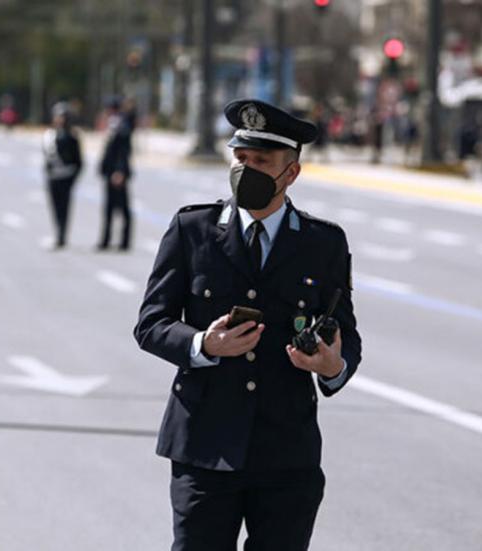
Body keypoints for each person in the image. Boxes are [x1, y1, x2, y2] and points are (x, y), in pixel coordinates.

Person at [134, 99, 362, 551]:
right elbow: (151, 323)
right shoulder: (192, 229)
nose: (247, 169)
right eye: (240, 159)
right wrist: (203, 344)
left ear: (291, 172)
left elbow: (346, 335)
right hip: (205, 447)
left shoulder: (323, 244)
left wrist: (333, 366)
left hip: (286, 453)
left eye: (261, 162)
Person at [43, 102, 82, 249]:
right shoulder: (49, 135)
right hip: (53, 177)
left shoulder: (72, 137)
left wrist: (73, 179)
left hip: (66, 176)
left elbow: (79, 161)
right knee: (55, 207)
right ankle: (57, 232)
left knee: (65, 208)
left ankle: (62, 235)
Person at [96, 98, 134, 251]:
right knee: (109, 208)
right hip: (110, 172)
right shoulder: (114, 124)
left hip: (118, 174)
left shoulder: (121, 125)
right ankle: (105, 240)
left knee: (122, 208)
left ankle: (124, 241)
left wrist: (120, 171)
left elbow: (123, 152)